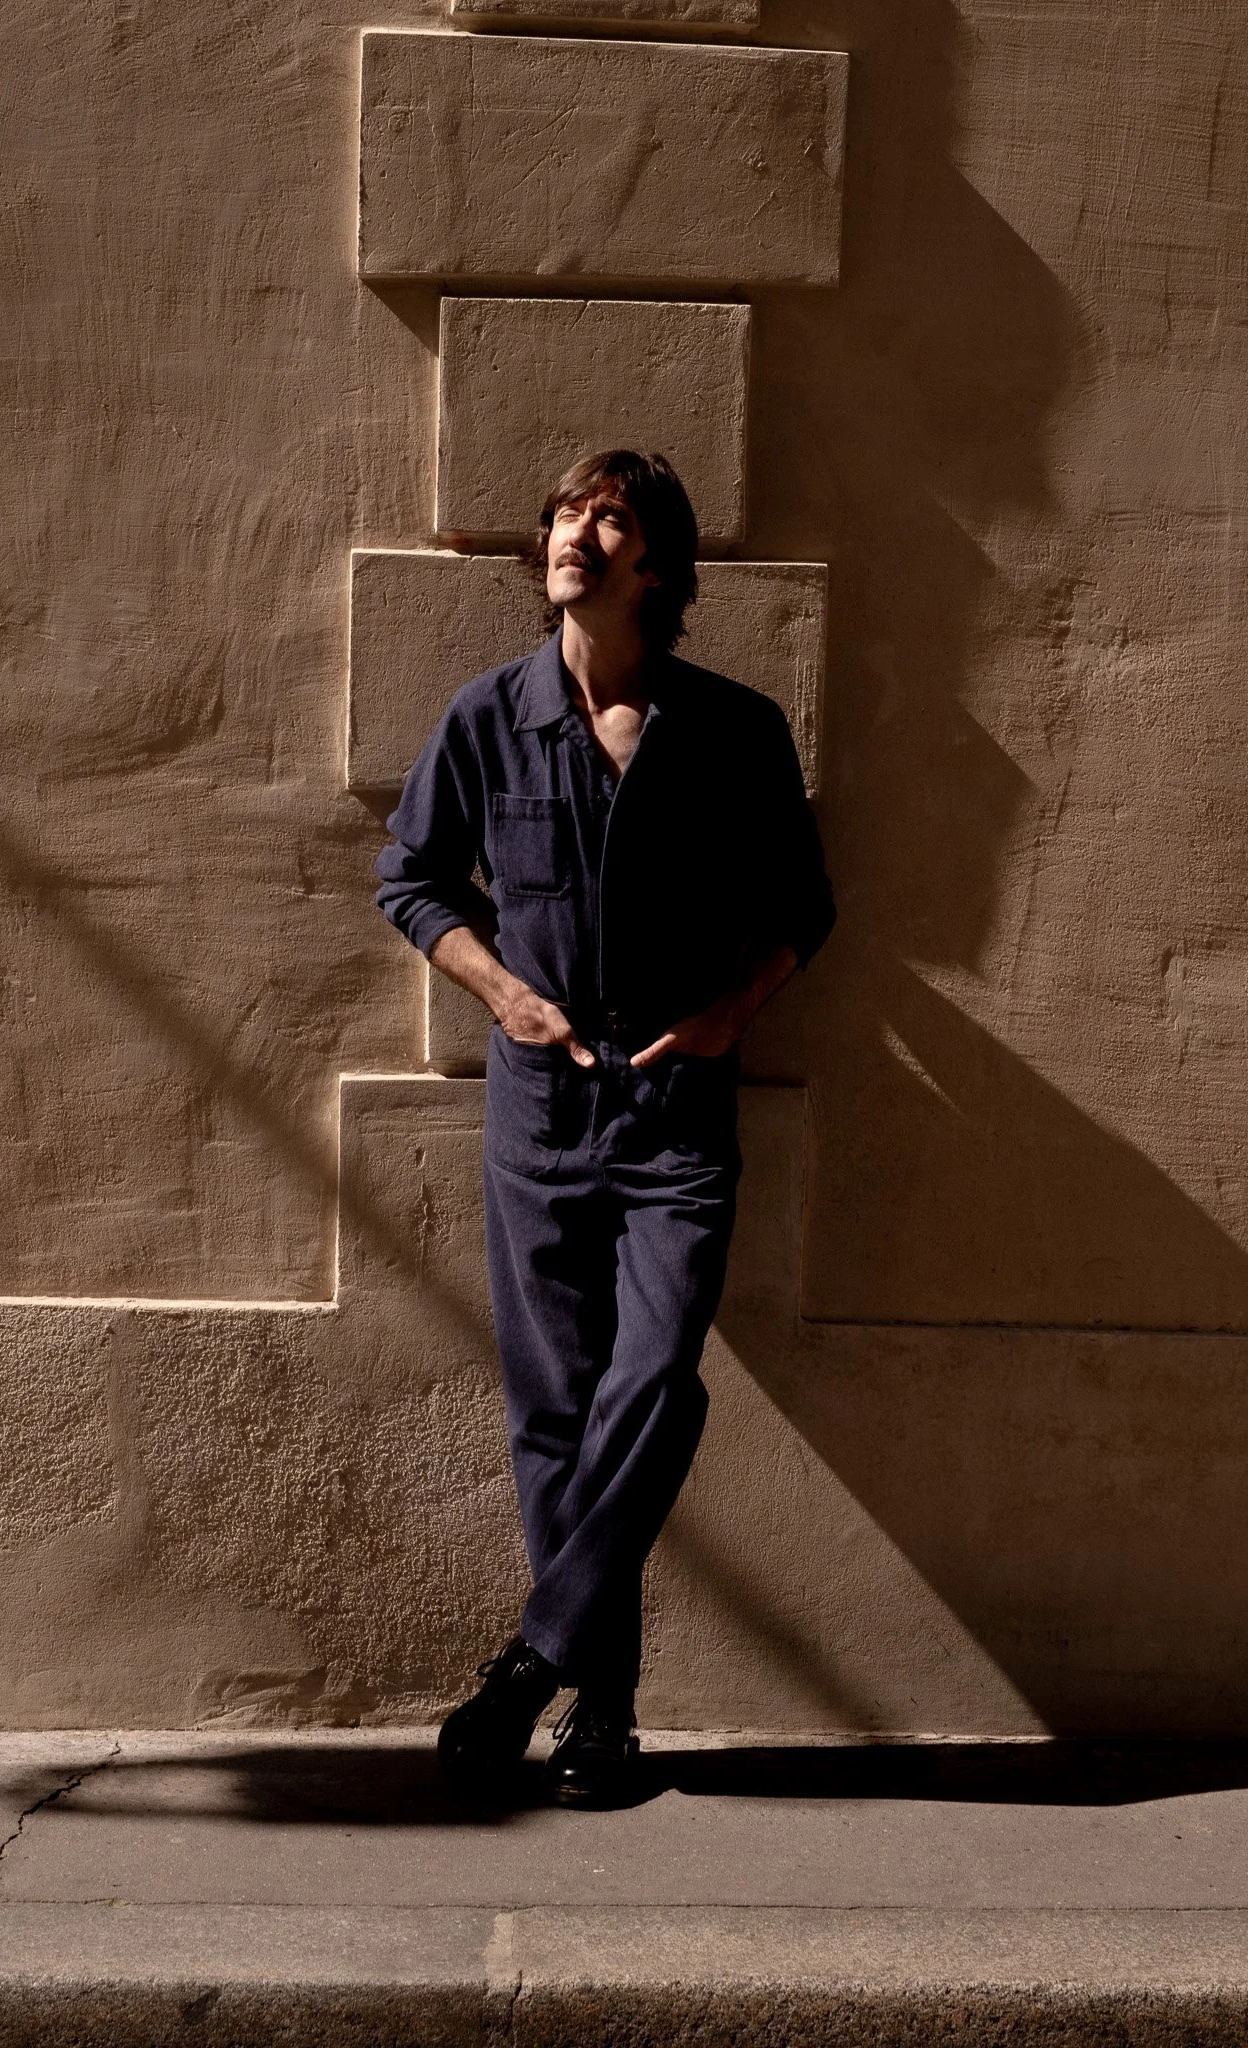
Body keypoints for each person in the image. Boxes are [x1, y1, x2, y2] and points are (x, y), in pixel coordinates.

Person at [375, 449, 834, 1807]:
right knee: (554, 1414)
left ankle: (531, 1665)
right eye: (570, 511)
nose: (581, 531)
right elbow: (410, 879)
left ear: (656, 563)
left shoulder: (734, 730)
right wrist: (503, 990)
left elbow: (805, 907)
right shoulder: (488, 717)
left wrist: (730, 1016)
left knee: (652, 1382)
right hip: (537, 1107)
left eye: (612, 516)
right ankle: (605, 1719)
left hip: (676, 1109)